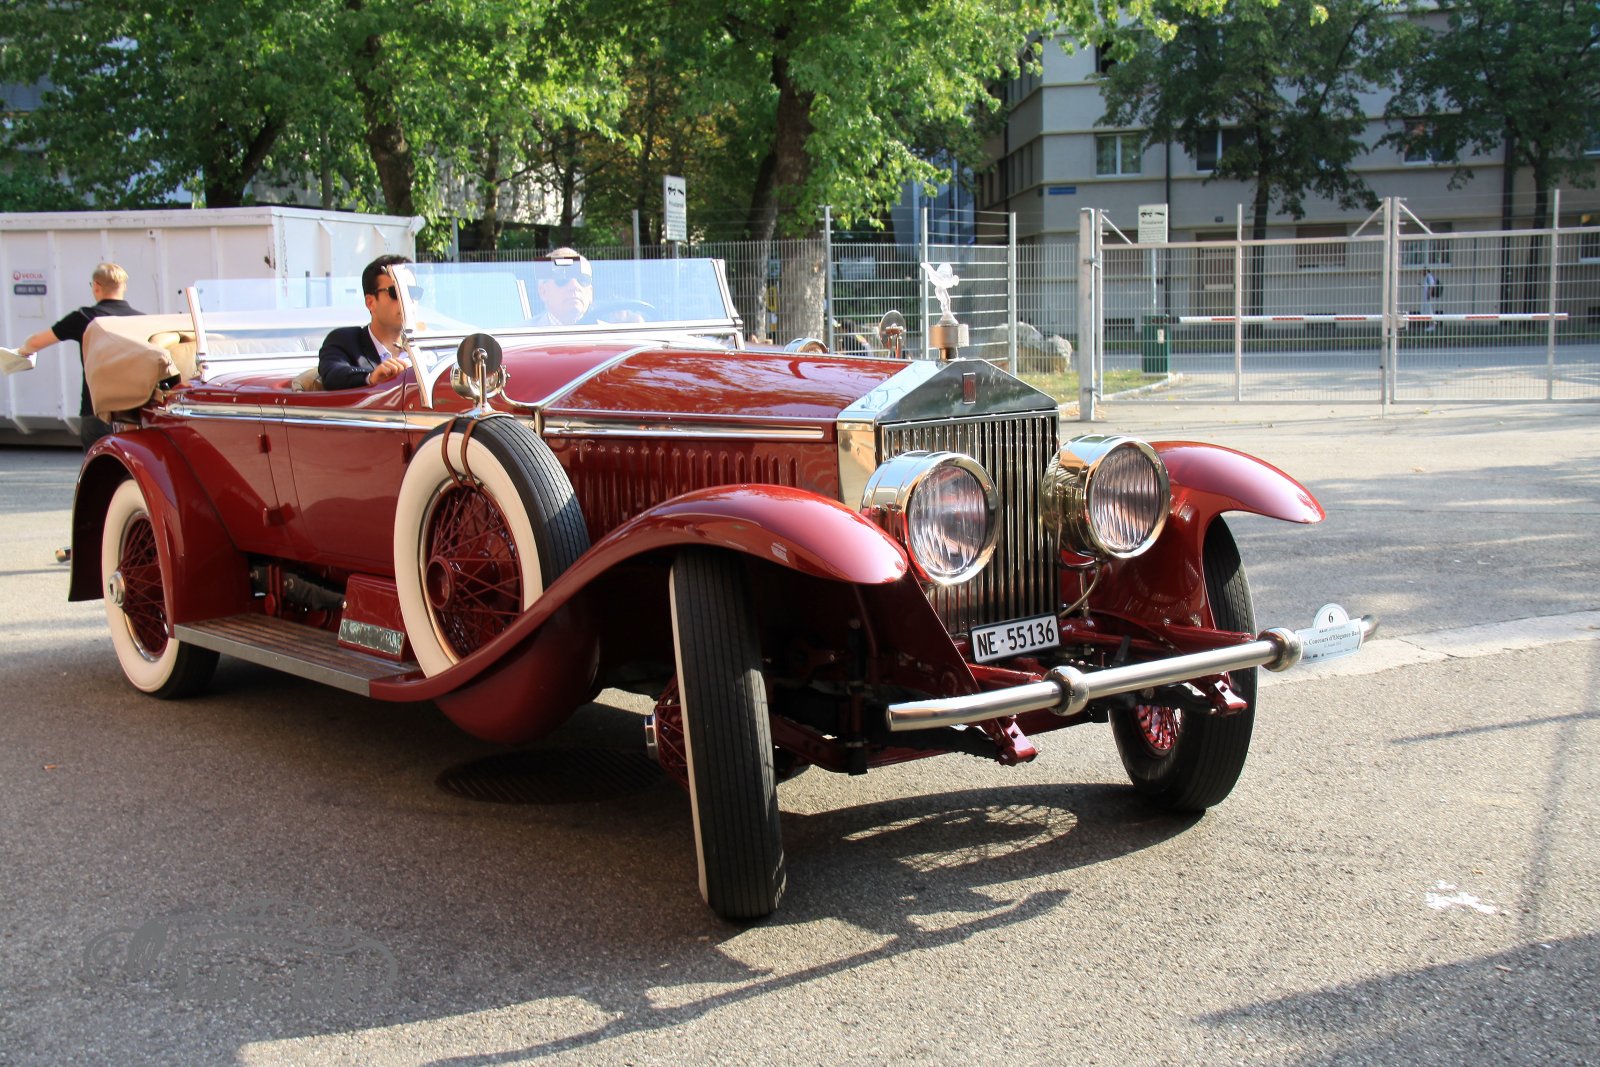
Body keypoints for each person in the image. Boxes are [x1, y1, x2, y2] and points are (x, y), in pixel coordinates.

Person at [1, 262, 144, 449]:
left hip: (97, 410)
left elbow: (36, 342)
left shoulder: (84, 317)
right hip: (135, 411)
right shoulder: (140, 320)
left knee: (100, 464)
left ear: (96, 286)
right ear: (124, 286)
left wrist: (21, 353)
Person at [318, 254, 415, 389]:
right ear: (370, 303)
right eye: (396, 292)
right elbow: (332, 373)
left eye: (413, 292)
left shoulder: (430, 346)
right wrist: (370, 377)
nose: (408, 300)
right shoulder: (344, 340)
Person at [529, 247, 594, 326]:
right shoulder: (521, 332)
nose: (575, 286)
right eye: (563, 278)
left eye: (582, 279)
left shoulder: (606, 330)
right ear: (543, 292)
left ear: (590, 292)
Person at [1421, 267, 1439, 332]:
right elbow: (1427, 287)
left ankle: (1433, 325)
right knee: (1427, 311)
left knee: (1430, 311)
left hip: (1428, 298)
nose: (1422, 273)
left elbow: (1431, 286)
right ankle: (1431, 325)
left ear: (1426, 271)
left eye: (1423, 271)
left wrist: (1429, 295)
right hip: (1427, 298)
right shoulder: (1427, 277)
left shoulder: (1429, 277)